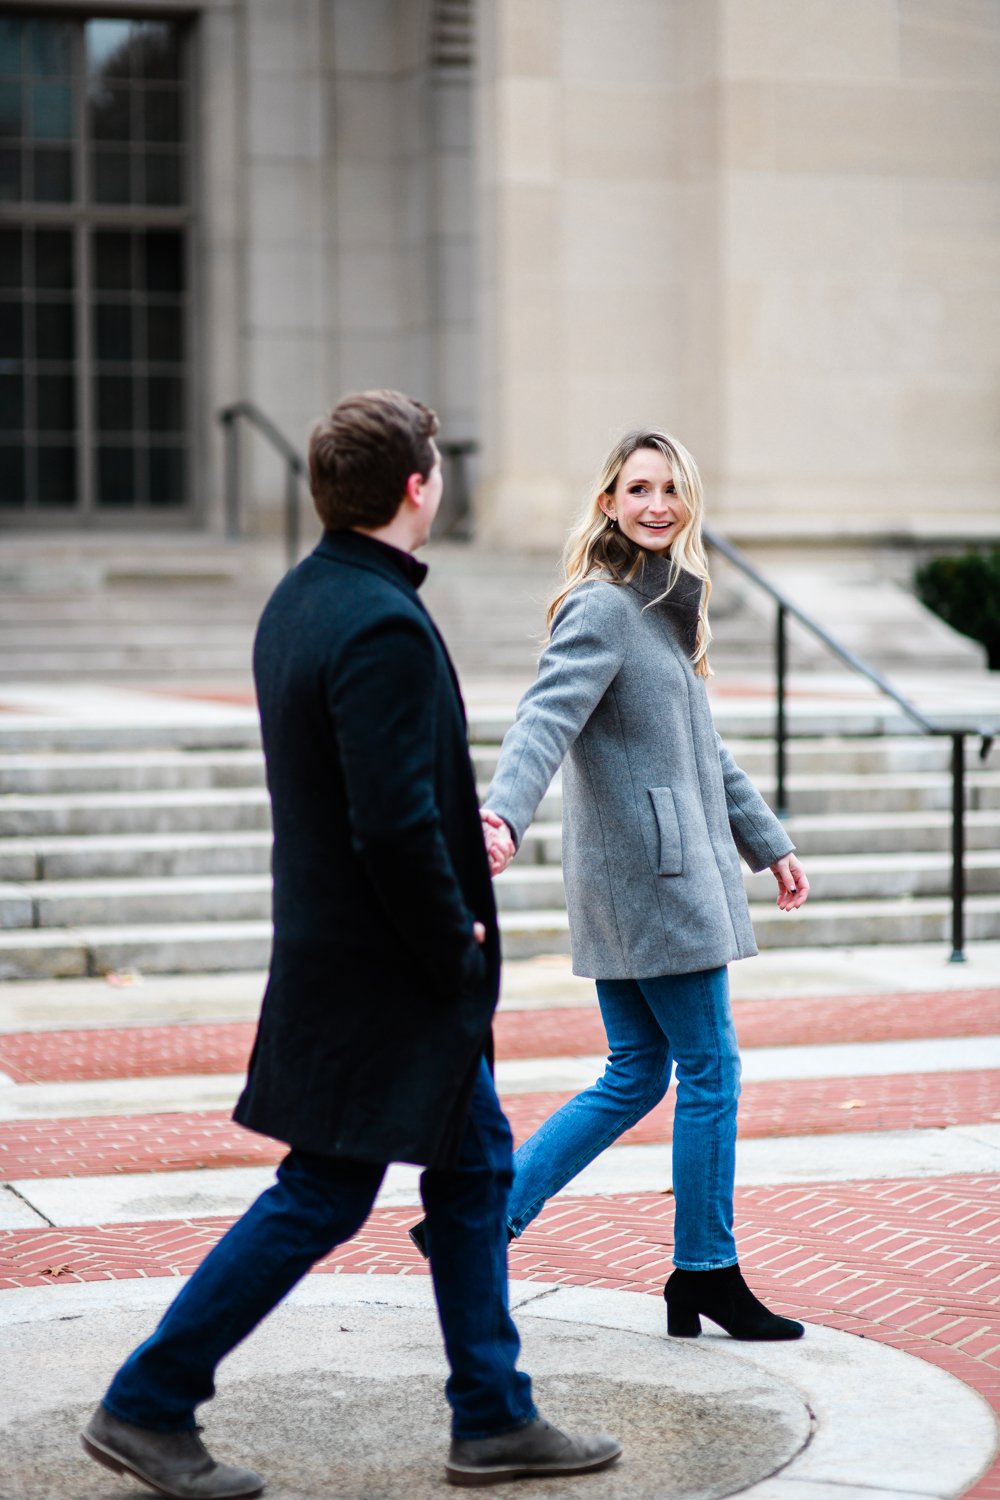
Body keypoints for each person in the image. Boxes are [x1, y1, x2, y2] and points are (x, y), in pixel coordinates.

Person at [80, 390, 621, 1498]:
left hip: (355, 963)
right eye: (436, 465)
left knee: (474, 1175)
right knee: (325, 1191)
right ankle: (147, 1401)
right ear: (419, 485)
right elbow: (389, 823)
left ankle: (492, 1414)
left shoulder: (302, 598)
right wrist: (454, 943)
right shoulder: (374, 620)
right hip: (392, 975)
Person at [415, 427, 810, 1342]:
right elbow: (542, 718)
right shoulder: (602, 607)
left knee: (636, 1073)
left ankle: (474, 1223)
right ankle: (705, 1269)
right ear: (608, 503)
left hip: (655, 873)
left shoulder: (661, 606)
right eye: (638, 489)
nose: (656, 505)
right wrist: (502, 813)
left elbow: (700, 751)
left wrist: (768, 841)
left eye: (670, 489)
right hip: (657, 882)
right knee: (710, 1068)